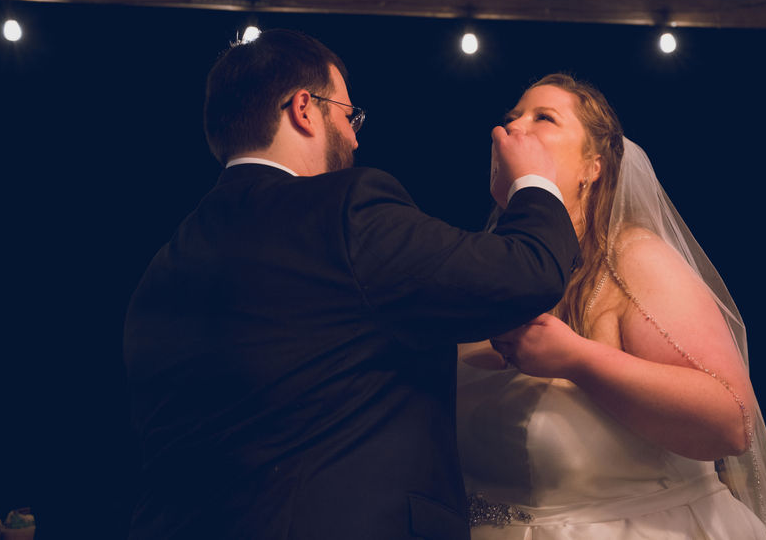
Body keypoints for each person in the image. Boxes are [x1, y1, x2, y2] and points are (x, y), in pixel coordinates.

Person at [123, 29, 581, 540]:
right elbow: (529, 272)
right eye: (348, 115)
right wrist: (534, 182)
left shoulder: (165, 264)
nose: (356, 137)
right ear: (304, 109)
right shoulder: (344, 209)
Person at [457, 74, 766, 539]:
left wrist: (576, 358)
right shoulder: (485, 271)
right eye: (511, 118)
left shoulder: (631, 260)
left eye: (543, 118)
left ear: (591, 167)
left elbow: (732, 424)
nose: (510, 129)